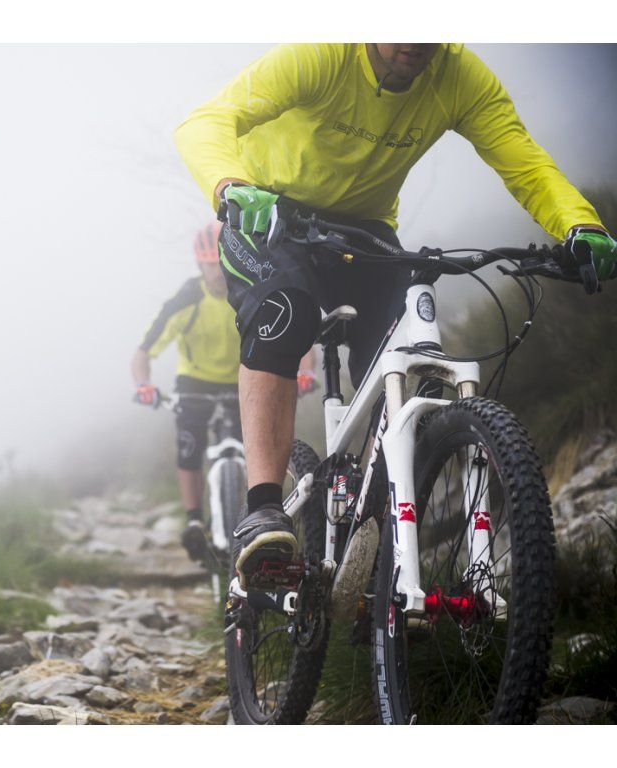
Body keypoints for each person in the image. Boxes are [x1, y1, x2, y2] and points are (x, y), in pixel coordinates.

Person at [174, 43, 617, 590]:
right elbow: (206, 121)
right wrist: (231, 186)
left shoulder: (459, 77)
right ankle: (263, 509)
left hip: (362, 232)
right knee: (285, 314)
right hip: (268, 216)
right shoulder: (323, 55)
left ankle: (372, 527)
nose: (414, 39)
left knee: (407, 355)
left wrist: (579, 224)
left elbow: (524, 160)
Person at [132, 222, 316, 563]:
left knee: (255, 441)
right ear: (199, 265)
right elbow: (143, 351)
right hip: (194, 384)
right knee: (189, 444)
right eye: (208, 265)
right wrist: (144, 384)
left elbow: (292, 334)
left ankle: (252, 511)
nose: (215, 271)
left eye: (218, 262)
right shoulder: (186, 300)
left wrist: (306, 372)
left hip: (242, 380)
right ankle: (193, 519)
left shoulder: (247, 289)